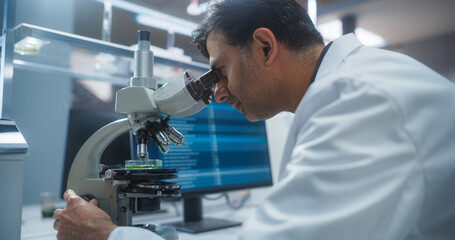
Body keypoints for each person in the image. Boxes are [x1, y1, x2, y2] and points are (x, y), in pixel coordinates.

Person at [53, 0, 455, 239]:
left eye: (220, 70)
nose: (220, 93)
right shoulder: (360, 80)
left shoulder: (358, 101)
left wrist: (110, 235)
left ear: (264, 46)